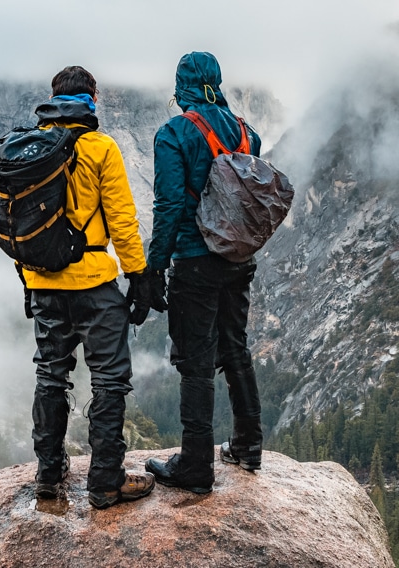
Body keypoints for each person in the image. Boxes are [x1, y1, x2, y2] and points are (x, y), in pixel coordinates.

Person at [22, 65, 157, 509]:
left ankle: (48, 476)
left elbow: (18, 227)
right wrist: (138, 277)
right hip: (95, 285)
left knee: (50, 376)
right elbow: (122, 220)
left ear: (54, 98)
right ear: (92, 99)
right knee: (110, 382)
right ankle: (105, 482)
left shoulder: (28, 149)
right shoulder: (101, 148)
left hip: (42, 283)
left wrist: (29, 281)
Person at [143, 52, 264, 494]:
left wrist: (154, 267)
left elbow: (170, 206)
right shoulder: (248, 133)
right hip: (239, 259)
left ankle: (196, 467)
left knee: (196, 363)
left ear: (182, 87)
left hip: (196, 262)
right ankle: (248, 446)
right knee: (235, 347)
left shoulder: (174, 134)